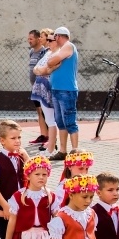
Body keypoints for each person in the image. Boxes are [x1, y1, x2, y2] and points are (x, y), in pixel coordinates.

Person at [44, 26, 79, 161]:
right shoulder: (61, 49)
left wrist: (52, 63)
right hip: (57, 89)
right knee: (60, 121)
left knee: (70, 121)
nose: (53, 39)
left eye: (54, 37)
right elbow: (49, 64)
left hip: (66, 90)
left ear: (59, 36)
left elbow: (51, 62)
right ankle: (63, 151)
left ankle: (76, 152)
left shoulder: (69, 46)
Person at [31, 28, 58, 155]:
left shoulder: (55, 54)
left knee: (51, 119)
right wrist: (38, 69)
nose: (47, 41)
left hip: (47, 88)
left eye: (49, 39)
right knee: (48, 118)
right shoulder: (48, 53)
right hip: (41, 88)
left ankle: (52, 145)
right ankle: (50, 144)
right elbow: (37, 68)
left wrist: (39, 70)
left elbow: (45, 70)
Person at [27, 29, 48, 146]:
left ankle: (48, 135)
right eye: (28, 38)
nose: (29, 41)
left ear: (38, 39)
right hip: (34, 87)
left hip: (42, 87)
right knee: (39, 111)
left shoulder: (43, 52)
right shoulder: (31, 52)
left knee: (44, 111)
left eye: (31, 38)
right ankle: (43, 134)